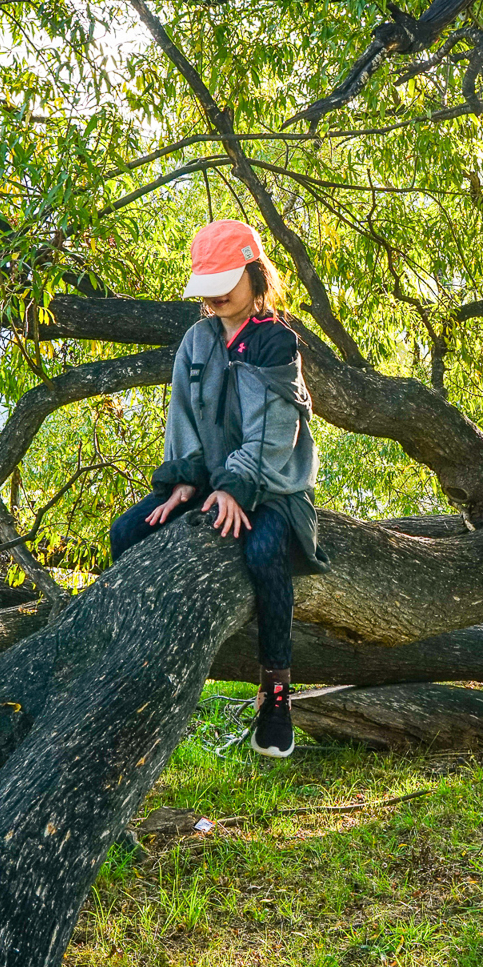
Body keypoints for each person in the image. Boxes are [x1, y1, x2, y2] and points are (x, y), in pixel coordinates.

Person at [106, 219, 323, 759]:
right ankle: (136, 666)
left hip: (270, 486)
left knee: (265, 548)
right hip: (206, 482)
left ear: (255, 273)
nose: (217, 293)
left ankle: (276, 694)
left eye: (227, 279)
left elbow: (274, 433)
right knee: (128, 531)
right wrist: (182, 482)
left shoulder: (276, 344)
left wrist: (235, 487)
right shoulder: (197, 340)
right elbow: (182, 417)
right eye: (208, 283)